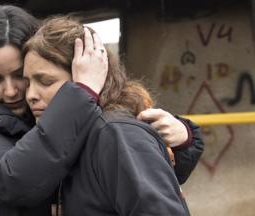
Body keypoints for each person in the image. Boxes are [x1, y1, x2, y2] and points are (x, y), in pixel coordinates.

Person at [0, 5, 203, 216]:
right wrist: (82, 94)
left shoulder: (94, 123)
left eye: (22, 77)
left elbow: (136, 181)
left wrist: (183, 140)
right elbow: (9, 181)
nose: (15, 91)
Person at [22, 16, 193, 215]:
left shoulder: (116, 134)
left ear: (88, 75)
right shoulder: (72, 136)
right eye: (27, 83)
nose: (31, 95)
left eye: (46, 82)